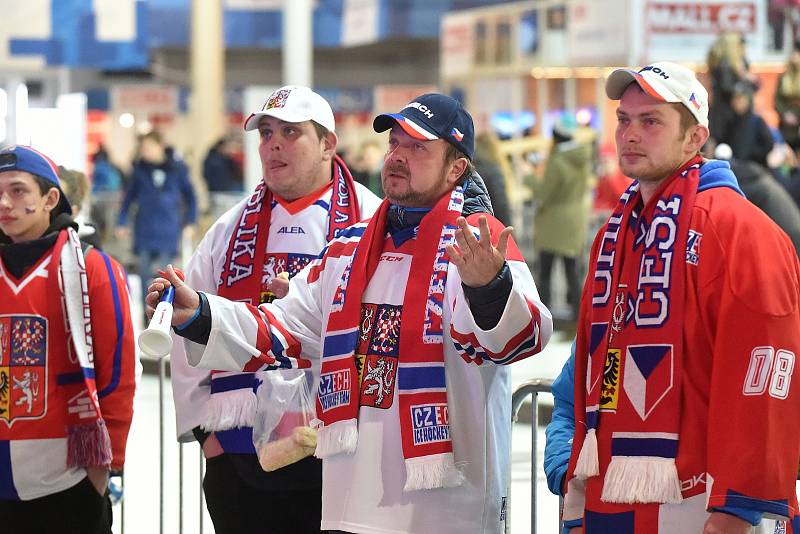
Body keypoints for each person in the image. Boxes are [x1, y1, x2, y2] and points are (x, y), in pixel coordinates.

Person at [150, 93, 553, 533]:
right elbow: (279, 327)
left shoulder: (478, 243)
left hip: (446, 507)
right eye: (395, 143)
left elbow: (523, 338)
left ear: (457, 168)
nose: (397, 156)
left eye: (417, 147)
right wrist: (200, 314)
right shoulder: (349, 247)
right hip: (350, 501)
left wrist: (490, 289)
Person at [551, 61, 800, 534]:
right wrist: (573, 474)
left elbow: (766, 372)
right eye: (624, 119)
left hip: (699, 505)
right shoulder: (616, 233)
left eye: (651, 121)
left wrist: (737, 509)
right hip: (612, 498)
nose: (630, 133)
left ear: (694, 138)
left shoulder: (740, 230)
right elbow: (590, 367)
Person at [168, 85, 382, 534]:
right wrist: (210, 440)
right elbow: (187, 329)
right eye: (266, 133)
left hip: (340, 447)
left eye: (290, 132)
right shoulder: (229, 229)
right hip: (240, 452)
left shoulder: (370, 219)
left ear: (328, 143)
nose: (274, 144)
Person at [0, 145, 136, 533]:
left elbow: (117, 375)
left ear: (50, 199)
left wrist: (108, 467)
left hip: (67, 476)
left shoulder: (93, 268)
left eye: (18, 190)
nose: (5, 202)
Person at [530, 115, 593, 320]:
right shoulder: (581, 158)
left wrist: (528, 178)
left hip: (553, 224)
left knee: (546, 272)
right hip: (575, 219)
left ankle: (543, 317)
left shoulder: (557, 161)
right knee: (573, 272)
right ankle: (578, 317)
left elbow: (544, 193)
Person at [116, 130, 197, 283]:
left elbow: (191, 198)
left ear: (160, 146)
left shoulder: (177, 169)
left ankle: (163, 307)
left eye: (149, 147)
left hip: (168, 230)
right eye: (143, 149)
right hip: (144, 231)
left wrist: (191, 222)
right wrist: (121, 222)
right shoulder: (138, 171)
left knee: (165, 278)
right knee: (144, 275)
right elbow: (128, 199)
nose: (146, 152)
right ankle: (146, 306)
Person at [714, 82, 774, 167]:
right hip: (735, 167)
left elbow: (769, 144)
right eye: (735, 98)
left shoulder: (757, 121)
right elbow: (724, 143)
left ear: (748, 100)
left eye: (740, 98)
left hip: (754, 168)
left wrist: (753, 154)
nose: (737, 101)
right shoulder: (730, 122)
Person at [776, 39, 800, 152]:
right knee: (787, 151)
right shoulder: (784, 76)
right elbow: (777, 99)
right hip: (787, 120)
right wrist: (785, 114)